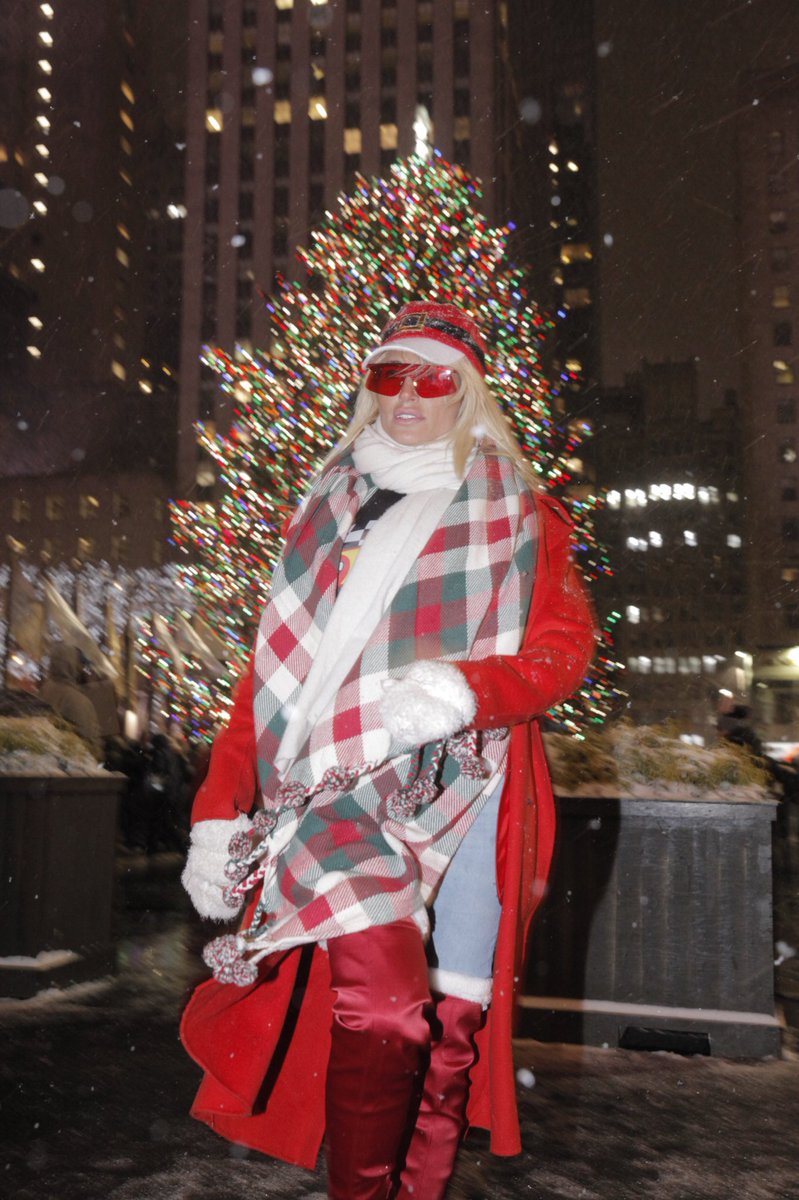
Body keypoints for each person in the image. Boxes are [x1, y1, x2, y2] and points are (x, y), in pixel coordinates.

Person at [179, 300, 596, 1199]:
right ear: (367, 390)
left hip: (467, 790)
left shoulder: (522, 513)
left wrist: (463, 690)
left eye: (432, 377)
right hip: (331, 787)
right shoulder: (325, 510)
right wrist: (217, 813)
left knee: (450, 1029)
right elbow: (266, 685)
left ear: (467, 394)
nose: (407, 394)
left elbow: (563, 655)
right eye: (387, 375)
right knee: (387, 1009)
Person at [39, 641, 102, 760]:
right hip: (72, 769)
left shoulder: (42, 692)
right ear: (71, 664)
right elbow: (91, 748)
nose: (80, 668)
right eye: (79, 663)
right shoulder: (80, 701)